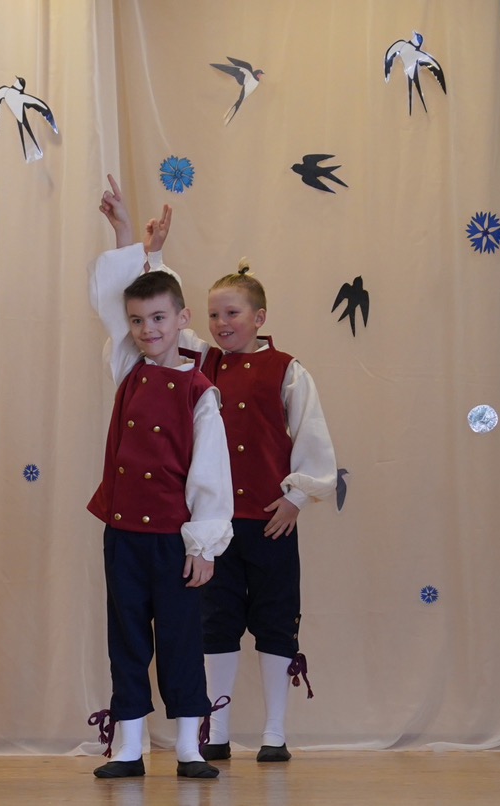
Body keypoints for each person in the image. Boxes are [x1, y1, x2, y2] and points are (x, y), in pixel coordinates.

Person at [138, 215, 335, 764]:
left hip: (270, 524)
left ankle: (274, 733)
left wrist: (296, 496)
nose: (222, 323)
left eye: (233, 313)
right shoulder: (201, 362)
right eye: (214, 315)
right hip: (215, 529)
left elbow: (313, 437)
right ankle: (217, 730)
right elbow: (164, 318)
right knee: (215, 624)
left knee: (276, 623)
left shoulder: (287, 371)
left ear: (259, 317)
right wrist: (153, 256)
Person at [85, 175, 232, 780]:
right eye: (138, 321)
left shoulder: (200, 391)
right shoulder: (127, 365)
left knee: (179, 639)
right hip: (123, 534)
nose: (148, 329)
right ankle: (128, 748)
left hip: (174, 539)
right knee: (125, 638)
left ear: (182, 319)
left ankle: (191, 747)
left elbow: (210, 476)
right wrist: (126, 233)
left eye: (159, 319)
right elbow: (116, 297)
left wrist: (203, 544)